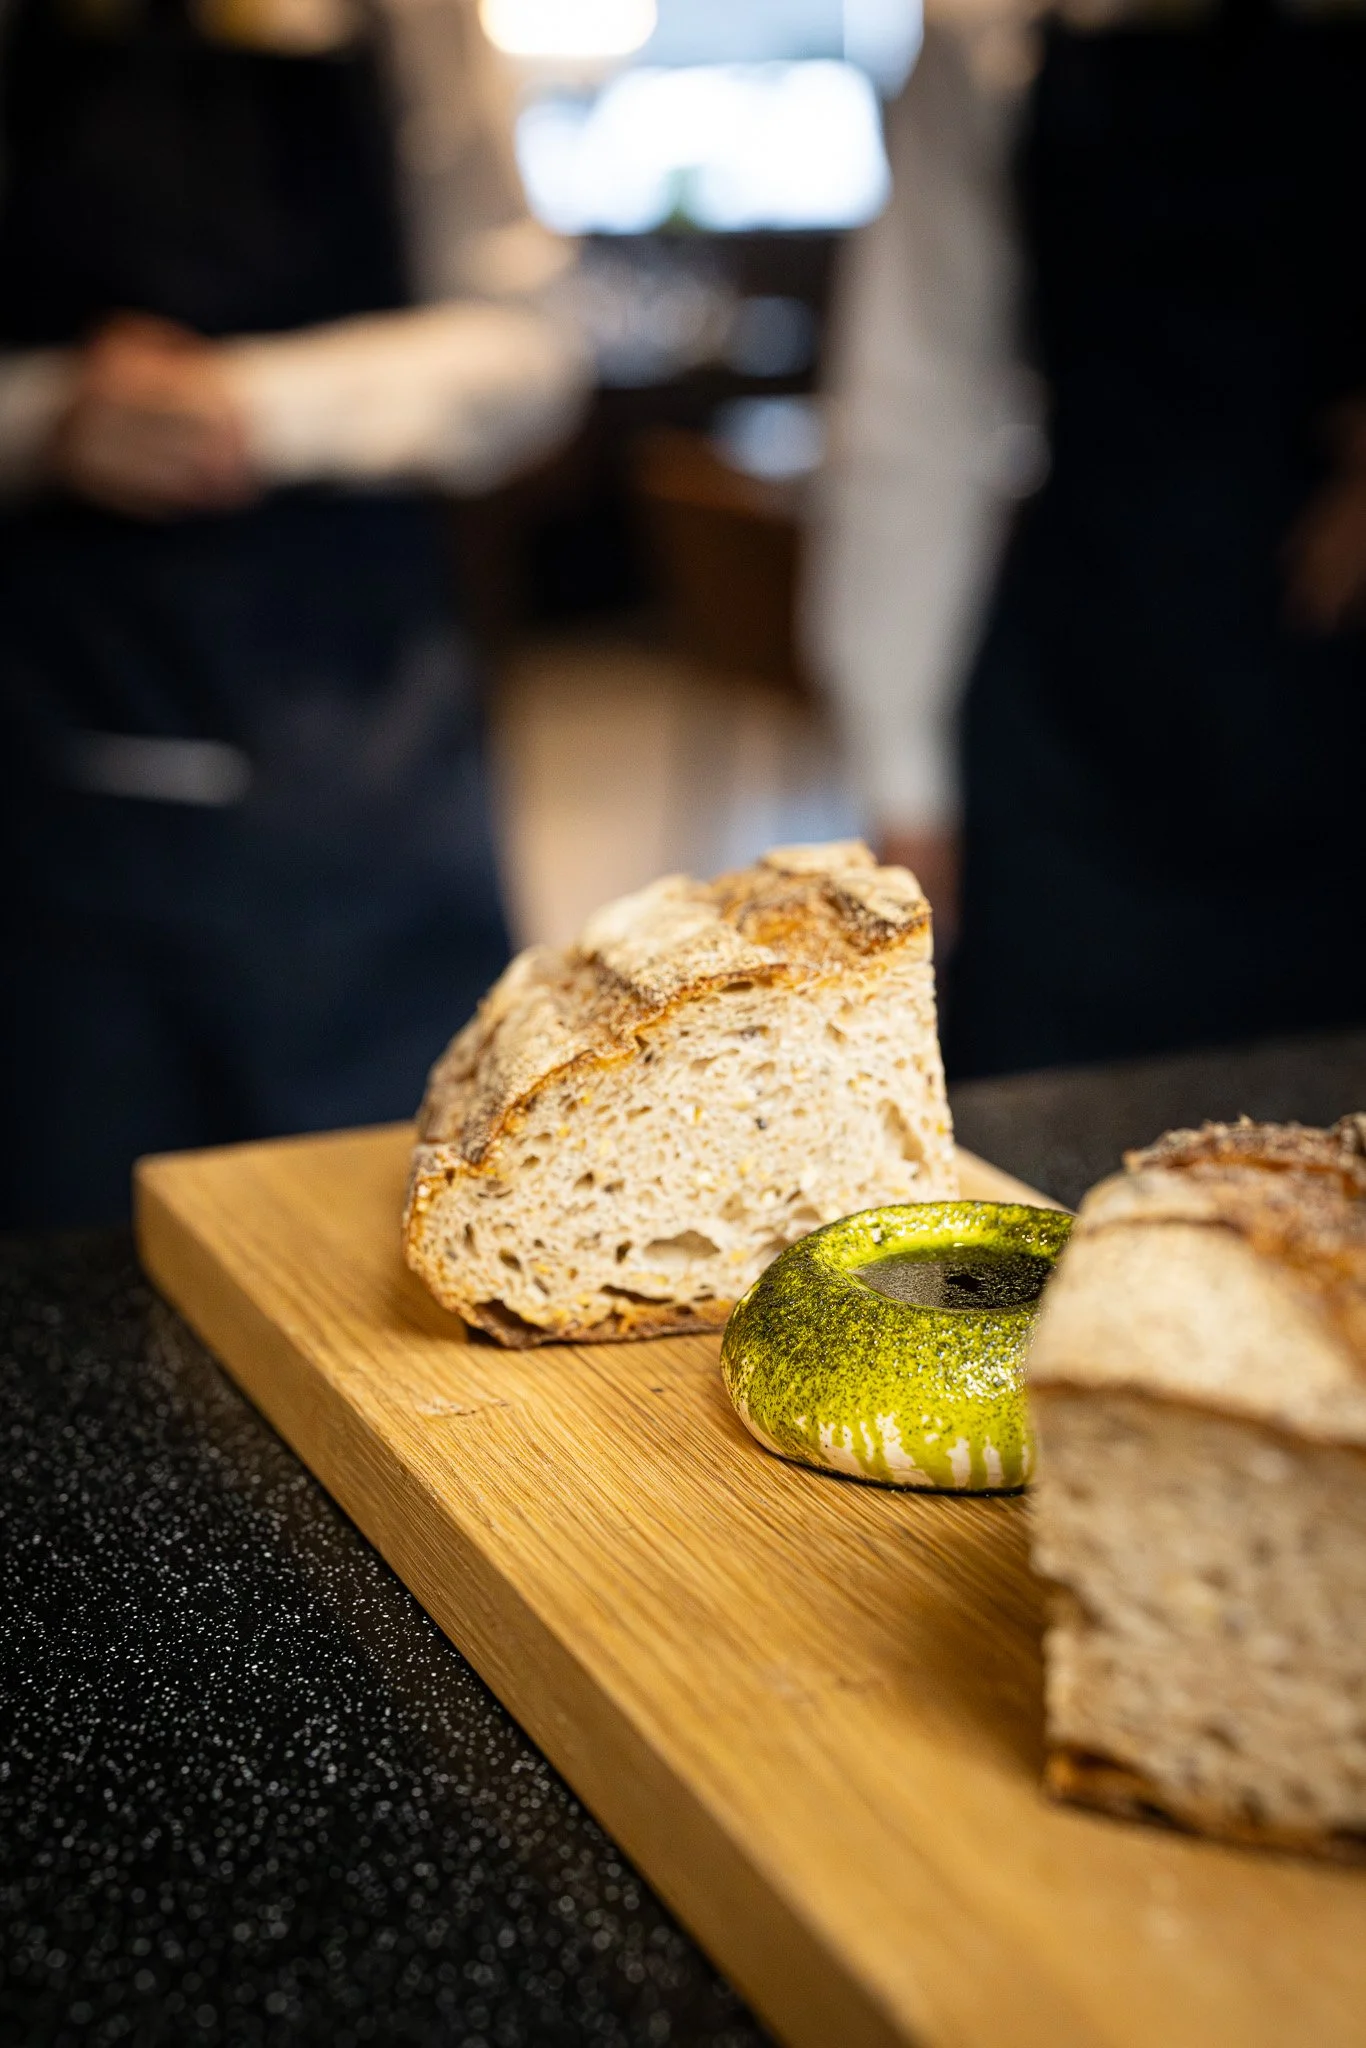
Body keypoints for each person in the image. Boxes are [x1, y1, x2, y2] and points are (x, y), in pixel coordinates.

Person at [0, 0, 589, 1228]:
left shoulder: (408, 26)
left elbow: (530, 347)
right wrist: (50, 413)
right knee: (74, 1202)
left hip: (358, 691)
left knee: (400, 1192)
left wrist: (251, 404)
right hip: (56, 691)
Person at [811, 0, 1366, 1077]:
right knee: (1038, 1152)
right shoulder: (990, 28)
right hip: (1087, 690)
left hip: (1335, 681)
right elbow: (915, 403)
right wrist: (904, 781)